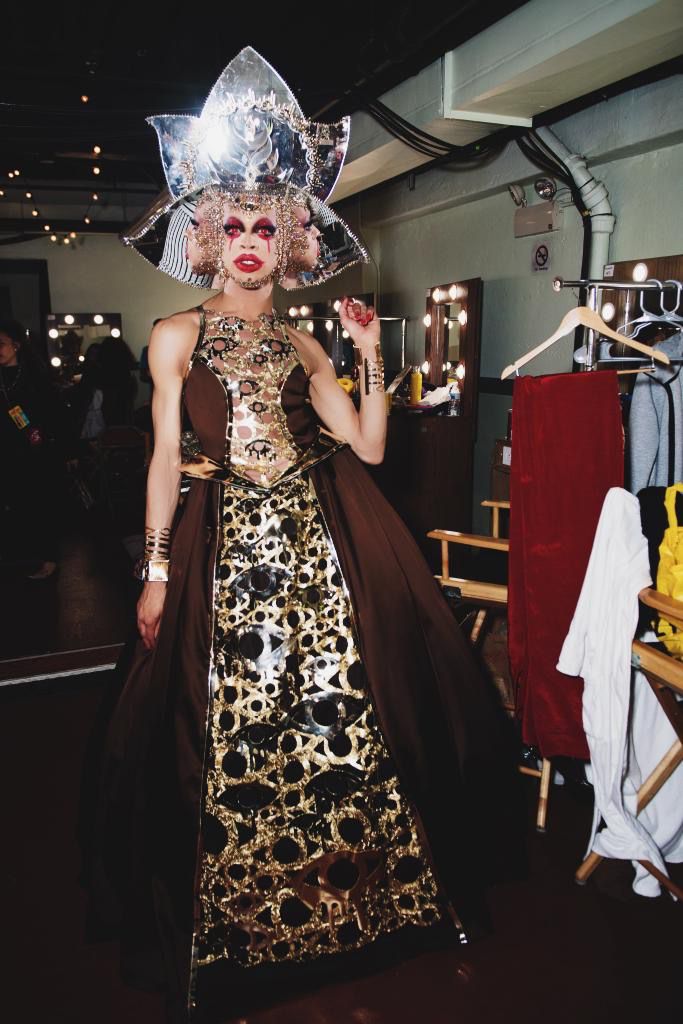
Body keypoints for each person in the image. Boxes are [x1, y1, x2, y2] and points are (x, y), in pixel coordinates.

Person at [86, 47, 521, 1024]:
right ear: (206, 236)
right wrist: (153, 571)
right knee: (226, 735)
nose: (246, 240)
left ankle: (354, 905)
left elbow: (365, 447)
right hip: (223, 549)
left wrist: (370, 358)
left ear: (287, 241)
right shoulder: (174, 336)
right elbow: (163, 458)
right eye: (229, 224)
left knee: (338, 722)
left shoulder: (304, 342)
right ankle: (240, 921)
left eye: (263, 226)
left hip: (323, 551)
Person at [0, 318, 65, 579]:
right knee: (11, 503)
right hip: (5, 449)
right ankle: (16, 554)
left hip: (34, 450)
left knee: (40, 502)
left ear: (16, 346)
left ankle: (48, 558)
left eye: (1, 344)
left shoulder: (35, 376)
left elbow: (52, 414)